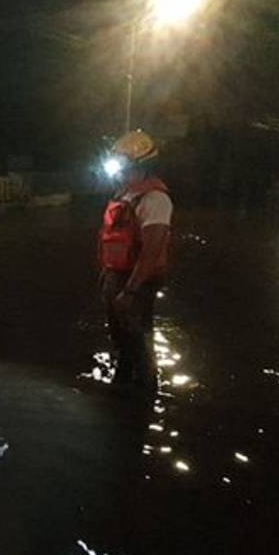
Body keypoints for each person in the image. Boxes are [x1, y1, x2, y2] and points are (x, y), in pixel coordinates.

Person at [98, 130, 173, 390]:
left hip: (136, 282)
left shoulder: (155, 199)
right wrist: (108, 276)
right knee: (120, 337)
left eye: (123, 165)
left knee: (138, 339)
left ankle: (145, 394)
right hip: (116, 276)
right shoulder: (123, 195)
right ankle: (122, 384)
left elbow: (151, 250)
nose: (118, 171)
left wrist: (130, 290)